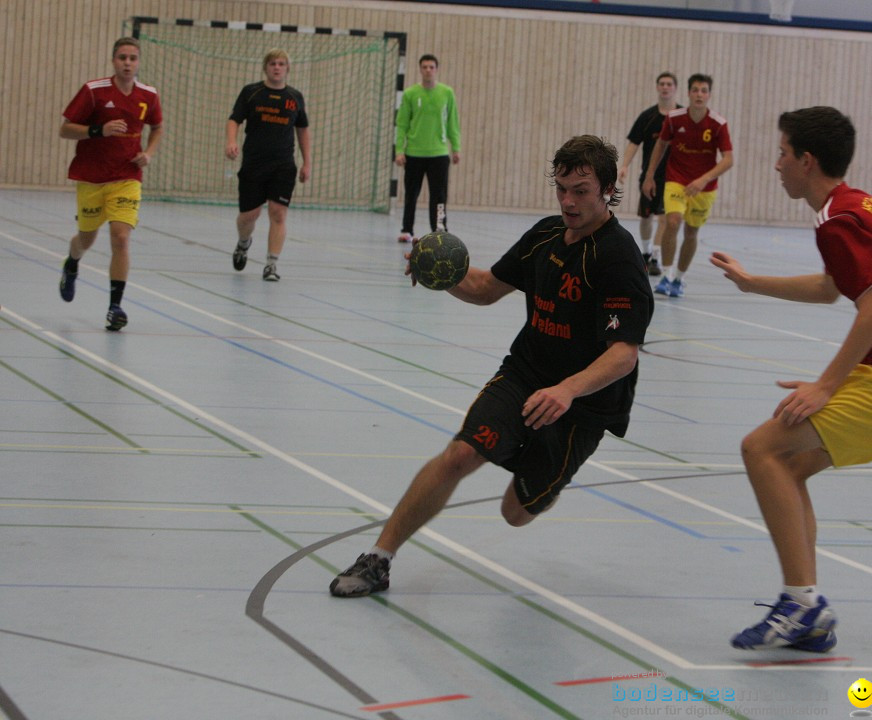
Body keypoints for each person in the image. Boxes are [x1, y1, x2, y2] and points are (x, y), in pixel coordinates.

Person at [330, 135, 654, 597]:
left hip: (581, 406)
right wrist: (440, 275)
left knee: (515, 513)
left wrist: (566, 391)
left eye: (581, 190)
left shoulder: (618, 259)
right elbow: (484, 288)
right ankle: (378, 559)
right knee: (461, 454)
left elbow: (623, 354)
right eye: (561, 188)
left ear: (607, 189)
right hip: (525, 374)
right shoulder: (544, 235)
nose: (568, 200)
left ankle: (545, 477)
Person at [710, 107, 872, 652]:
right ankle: (807, 609)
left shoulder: (837, 220)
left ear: (807, 160)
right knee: (787, 465)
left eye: (783, 153)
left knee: (760, 449)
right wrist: (753, 284)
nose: (777, 165)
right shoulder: (856, 203)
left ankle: (800, 604)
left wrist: (825, 385)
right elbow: (830, 288)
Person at [58, 37, 164, 331]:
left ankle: (114, 307)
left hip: (127, 177)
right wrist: (98, 130)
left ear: (139, 62)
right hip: (91, 176)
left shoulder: (149, 95)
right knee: (86, 239)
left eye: (132, 58)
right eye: (122, 58)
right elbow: (65, 129)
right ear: (113, 61)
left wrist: (148, 153)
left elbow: (157, 127)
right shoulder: (94, 91)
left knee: (120, 237)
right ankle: (72, 262)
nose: (127, 63)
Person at [641, 73, 733, 298]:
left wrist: (703, 180)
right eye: (695, 90)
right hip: (677, 180)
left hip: (704, 188)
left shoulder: (718, 124)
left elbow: (729, 159)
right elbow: (660, 145)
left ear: (709, 95)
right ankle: (667, 275)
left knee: (691, 232)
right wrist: (649, 175)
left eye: (704, 91)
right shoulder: (674, 118)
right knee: (672, 221)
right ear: (689, 93)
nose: (699, 94)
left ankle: (679, 279)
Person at [226, 48, 312, 282]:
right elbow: (234, 119)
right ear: (266, 67)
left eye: (282, 64)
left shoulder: (294, 98)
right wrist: (231, 141)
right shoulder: (251, 93)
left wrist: (307, 163)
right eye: (273, 63)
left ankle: (271, 264)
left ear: (287, 69)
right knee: (248, 216)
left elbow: (302, 130)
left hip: (283, 165)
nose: (277, 67)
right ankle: (244, 243)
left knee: (278, 213)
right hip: (254, 163)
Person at [618, 72, 681, 277]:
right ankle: (644, 253)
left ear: (675, 88)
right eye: (661, 84)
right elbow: (634, 143)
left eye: (669, 84)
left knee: (664, 218)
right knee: (646, 218)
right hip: (649, 176)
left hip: (674, 178)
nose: (665, 87)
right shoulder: (648, 117)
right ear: (657, 87)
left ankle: (655, 257)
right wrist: (624, 165)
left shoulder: (683, 116)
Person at [395, 54, 462, 244]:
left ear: (436, 69)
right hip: (414, 153)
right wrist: (399, 150)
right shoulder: (410, 94)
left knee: (439, 195)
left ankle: (439, 228)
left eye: (431, 67)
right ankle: (407, 229)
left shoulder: (446, 93)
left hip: (438, 154)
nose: (428, 70)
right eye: (424, 67)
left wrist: (456, 147)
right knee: (411, 193)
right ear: (420, 69)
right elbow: (402, 125)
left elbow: (453, 123)